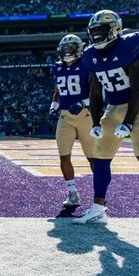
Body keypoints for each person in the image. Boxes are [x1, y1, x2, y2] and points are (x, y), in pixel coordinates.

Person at [76, 10, 139, 232]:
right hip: (114, 107)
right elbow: (95, 91)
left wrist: (128, 122)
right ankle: (98, 210)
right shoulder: (90, 55)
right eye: (94, 32)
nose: (96, 36)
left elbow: (138, 86)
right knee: (100, 155)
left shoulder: (132, 44)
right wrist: (96, 123)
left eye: (101, 31)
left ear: (114, 29)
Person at [49, 34, 95, 207]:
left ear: (78, 48)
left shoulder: (86, 65)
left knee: (92, 158)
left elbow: (96, 92)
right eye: (65, 48)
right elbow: (58, 90)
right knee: (63, 156)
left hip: (85, 115)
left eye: (70, 47)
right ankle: (72, 193)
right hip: (66, 116)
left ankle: (99, 194)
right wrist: (54, 105)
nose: (67, 50)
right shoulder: (57, 67)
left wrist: (82, 102)